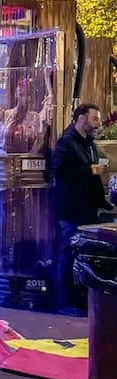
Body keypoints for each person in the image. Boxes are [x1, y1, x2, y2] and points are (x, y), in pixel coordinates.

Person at [52, 103, 114, 313]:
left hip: (88, 208)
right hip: (71, 209)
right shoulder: (66, 142)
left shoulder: (88, 143)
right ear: (81, 118)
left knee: (83, 255)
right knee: (68, 252)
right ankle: (65, 302)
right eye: (95, 118)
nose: (98, 123)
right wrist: (89, 169)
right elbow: (58, 171)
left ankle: (80, 300)